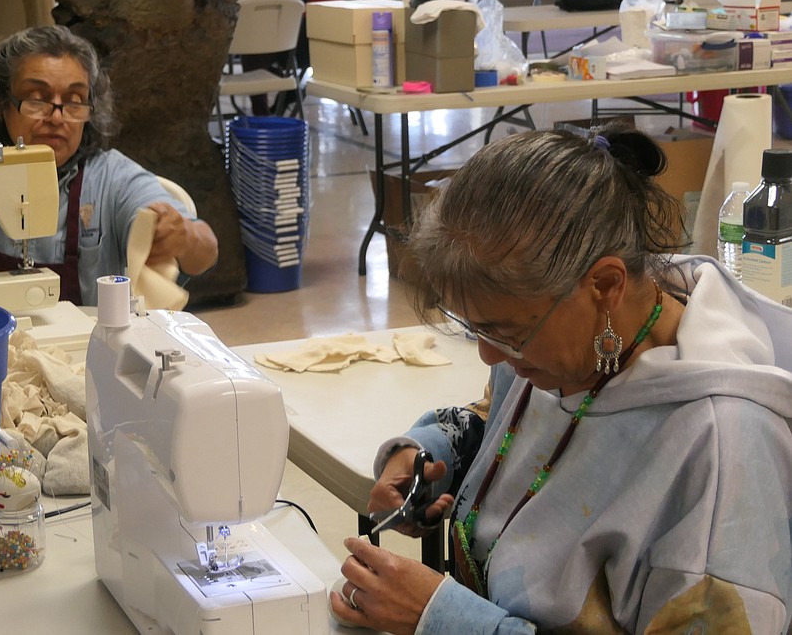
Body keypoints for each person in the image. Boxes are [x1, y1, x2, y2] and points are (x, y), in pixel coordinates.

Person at [331, 127, 792, 633]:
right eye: (474, 328)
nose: (490, 354)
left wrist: (441, 618)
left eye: (506, 332)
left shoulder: (721, 448)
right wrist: (432, 450)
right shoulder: (568, 345)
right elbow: (504, 424)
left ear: (605, 284)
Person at [0, 25, 218, 305]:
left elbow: (206, 250)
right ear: (1, 102)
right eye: (37, 99)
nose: (56, 117)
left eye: (74, 101)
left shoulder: (111, 178)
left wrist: (182, 237)